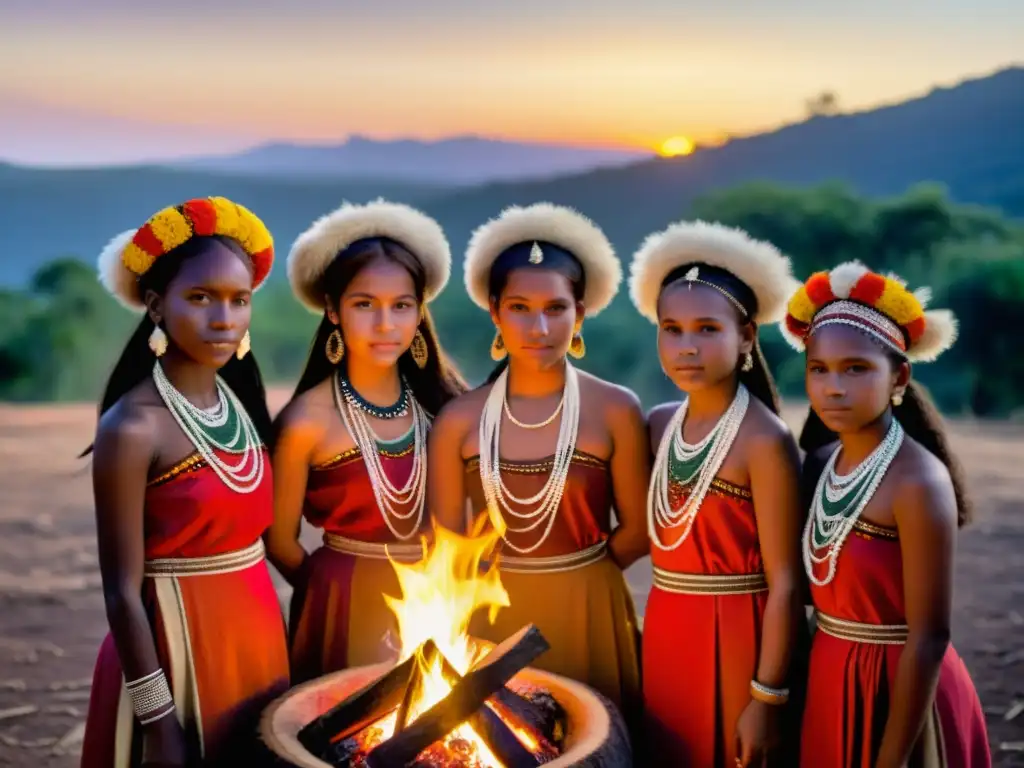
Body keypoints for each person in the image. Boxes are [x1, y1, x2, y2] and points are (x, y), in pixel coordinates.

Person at [79, 198, 289, 767]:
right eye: (200, 298)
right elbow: (121, 591)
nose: (223, 319)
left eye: (238, 300)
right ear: (155, 305)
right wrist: (158, 721)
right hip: (175, 652)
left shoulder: (239, 404)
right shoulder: (133, 426)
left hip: (256, 638)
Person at [427, 202, 649, 716]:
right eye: (520, 308)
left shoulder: (615, 408)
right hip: (492, 613)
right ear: (495, 313)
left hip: (591, 608)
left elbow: (636, 530)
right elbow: (447, 542)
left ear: (580, 314)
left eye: (555, 308)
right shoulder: (460, 420)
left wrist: (579, 577)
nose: (538, 326)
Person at [785, 262, 991, 767]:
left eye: (856, 368)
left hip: (900, 694)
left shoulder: (918, 482)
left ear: (898, 375)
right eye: (819, 369)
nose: (834, 386)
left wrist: (894, 757)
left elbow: (929, 635)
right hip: (830, 675)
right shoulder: (821, 462)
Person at [628, 220, 806, 767]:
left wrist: (767, 698)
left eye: (707, 329)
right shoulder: (657, 425)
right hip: (665, 627)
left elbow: (786, 581)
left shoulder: (765, 440)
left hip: (739, 636)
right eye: (672, 329)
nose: (687, 347)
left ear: (747, 336)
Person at [267, 200, 466, 682]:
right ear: (333, 311)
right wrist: (331, 591)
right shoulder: (306, 422)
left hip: (442, 599)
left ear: (421, 314)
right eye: (364, 305)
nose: (385, 324)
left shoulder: (449, 408)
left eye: (402, 306)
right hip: (341, 605)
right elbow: (279, 541)